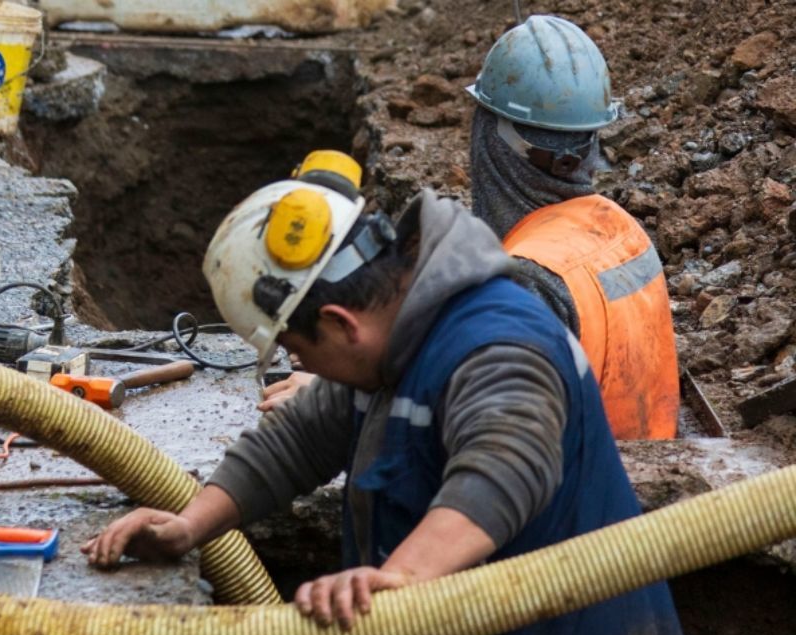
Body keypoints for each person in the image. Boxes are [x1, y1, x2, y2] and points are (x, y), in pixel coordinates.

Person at [81, 159, 690, 635]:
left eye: (298, 352)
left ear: (340, 325)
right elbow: (301, 436)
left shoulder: (498, 344)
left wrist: (396, 581)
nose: (304, 368)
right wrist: (191, 524)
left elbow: (503, 469)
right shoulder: (400, 331)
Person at [267, 16, 680, 441]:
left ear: (489, 137)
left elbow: (474, 417)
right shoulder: (622, 228)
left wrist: (340, 395)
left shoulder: (530, 278)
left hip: (579, 491)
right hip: (653, 469)